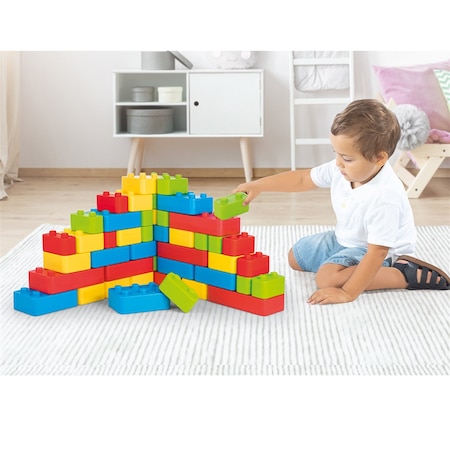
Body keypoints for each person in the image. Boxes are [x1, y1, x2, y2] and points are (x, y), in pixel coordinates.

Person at [233, 99, 449, 305]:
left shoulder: (384, 197)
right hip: (346, 239)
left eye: (346, 158)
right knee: (296, 257)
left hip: (381, 252)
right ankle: (342, 265)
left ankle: (402, 274)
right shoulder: (343, 168)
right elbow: (303, 179)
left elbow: (377, 252)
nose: (338, 163)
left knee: (326, 279)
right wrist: (258, 186)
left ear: (379, 158)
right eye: (336, 153)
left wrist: (348, 292)